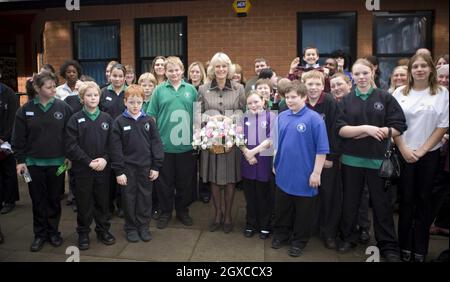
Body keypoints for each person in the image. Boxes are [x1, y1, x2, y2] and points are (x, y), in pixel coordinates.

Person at [336, 58, 407, 262]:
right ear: (352, 77)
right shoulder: (347, 100)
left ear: (373, 73)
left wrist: (384, 131)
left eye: (365, 73)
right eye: (357, 74)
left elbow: (399, 125)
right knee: (350, 203)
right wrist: (366, 129)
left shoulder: (385, 98)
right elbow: (340, 129)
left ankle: (387, 245)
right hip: (351, 162)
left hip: (378, 162)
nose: (361, 77)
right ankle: (348, 237)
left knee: (382, 205)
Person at [393, 54, 449, 262]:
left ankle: (420, 248)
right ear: (410, 71)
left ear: (431, 69)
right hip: (404, 152)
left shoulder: (442, 93)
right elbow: (395, 124)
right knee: (406, 201)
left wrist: (423, 150)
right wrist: (405, 149)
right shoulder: (400, 92)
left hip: (429, 155)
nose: (419, 69)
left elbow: (442, 125)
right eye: (415, 66)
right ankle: (404, 247)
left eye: (423, 65)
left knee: (424, 202)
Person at [12, 71, 73, 252]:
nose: (54, 89)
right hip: (32, 165)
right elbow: (18, 138)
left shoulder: (63, 108)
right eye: (49, 87)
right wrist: (20, 160)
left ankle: (53, 232)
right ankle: (40, 234)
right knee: (38, 200)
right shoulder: (25, 110)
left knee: (55, 199)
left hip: (59, 165)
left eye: (55, 86)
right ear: (37, 88)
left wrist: (69, 157)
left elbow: (70, 135)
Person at [271, 80, 329, 257]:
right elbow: (276, 144)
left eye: (294, 97)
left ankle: (299, 241)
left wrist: (316, 172)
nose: (289, 100)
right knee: (283, 209)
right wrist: (275, 163)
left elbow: (321, 149)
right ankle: (282, 234)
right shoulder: (281, 117)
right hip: (284, 173)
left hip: (305, 175)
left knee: (304, 212)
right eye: (287, 97)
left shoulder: (315, 120)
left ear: (304, 97)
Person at [147, 56, 198, 230]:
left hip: (186, 146)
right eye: (170, 70)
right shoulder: (159, 90)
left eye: (177, 70)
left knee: (185, 182)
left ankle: (183, 211)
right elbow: (151, 116)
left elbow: (197, 117)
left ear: (182, 71)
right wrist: (154, 142)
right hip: (164, 146)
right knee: (164, 183)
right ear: (165, 72)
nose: (174, 73)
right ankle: (166, 212)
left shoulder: (191, 90)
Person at [198, 52, 246, 233]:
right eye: (217, 66)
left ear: (229, 68)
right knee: (214, 178)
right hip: (211, 142)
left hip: (231, 142)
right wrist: (212, 118)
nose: (221, 69)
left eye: (224, 66)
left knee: (230, 179)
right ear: (212, 68)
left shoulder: (238, 88)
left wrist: (228, 119)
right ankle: (217, 214)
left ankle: (228, 216)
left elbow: (242, 112)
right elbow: (197, 114)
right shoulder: (203, 89)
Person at [65, 81, 116, 250]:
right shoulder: (75, 119)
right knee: (84, 202)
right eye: (89, 95)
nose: (93, 98)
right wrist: (88, 161)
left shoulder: (107, 119)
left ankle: (103, 231)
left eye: (95, 95)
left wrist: (105, 159)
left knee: (102, 201)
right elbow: (71, 146)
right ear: (82, 98)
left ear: (99, 97)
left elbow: (113, 144)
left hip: (103, 169)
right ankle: (83, 233)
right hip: (83, 170)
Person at [111, 84, 164, 242]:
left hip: (146, 167)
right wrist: (119, 171)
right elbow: (115, 148)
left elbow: (157, 144)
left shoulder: (148, 121)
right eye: (132, 102)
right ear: (125, 102)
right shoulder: (119, 122)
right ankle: (131, 227)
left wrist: (156, 166)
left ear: (143, 102)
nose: (135, 106)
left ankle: (143, 226)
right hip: (127, 169)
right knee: (128, 198)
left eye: (138, 102)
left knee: (145, 198)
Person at [302, 70, 342, 249]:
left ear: (323, 85)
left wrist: (331, 157)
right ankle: (310, 228)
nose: (313, 88)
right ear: (304, 85)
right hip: (304, 159)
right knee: (308, 195)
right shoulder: (300, 103)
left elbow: (335, 132)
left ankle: (328, 232)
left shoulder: (330, 102)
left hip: (326, 159)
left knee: (328, 196)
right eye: (309, 84)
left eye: (317, 84)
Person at [241, 90, 276, 240]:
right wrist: (246, 153)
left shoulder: (272, 116)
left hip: (264, 161)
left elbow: (271, 139)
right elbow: (237, 137)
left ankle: (265, 225)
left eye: (256, 101)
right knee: (250, 196)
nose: (253, 105)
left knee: (263, 196)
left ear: (263, 101)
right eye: (250, 103)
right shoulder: (243, 117)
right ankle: (250, 224)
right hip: (247, 161)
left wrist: (252, 152)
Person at [99, 63, 128, 218]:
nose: (117, 79)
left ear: (125, 77)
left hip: (125, 141)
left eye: (120, 76)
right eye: (114, 76)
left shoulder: (129, 92)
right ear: (110, 76)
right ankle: (108, 206)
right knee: (108, 176)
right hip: (106, 140)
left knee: (123, 173)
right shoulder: (103, 93)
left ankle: (123, 205)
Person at [0, 80, 19, 214]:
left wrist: (4, 138)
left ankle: (9, 200)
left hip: (5, 141)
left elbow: (13, 119)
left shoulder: (9, 94)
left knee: (8, 171)